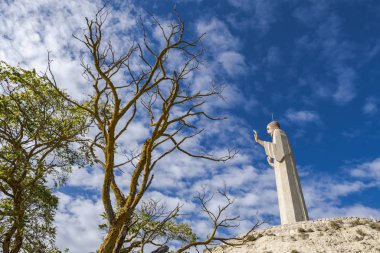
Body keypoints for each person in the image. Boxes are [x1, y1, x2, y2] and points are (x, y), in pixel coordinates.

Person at [254, 121, 309, 224]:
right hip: (283, 168)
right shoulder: (276, 135)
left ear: (274, 127)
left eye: (268, 128)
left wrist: (259, 141)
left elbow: (279, 153)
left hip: (287, 169)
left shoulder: (278, 133)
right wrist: (271, 163)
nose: (268, 132)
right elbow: (279, 158)